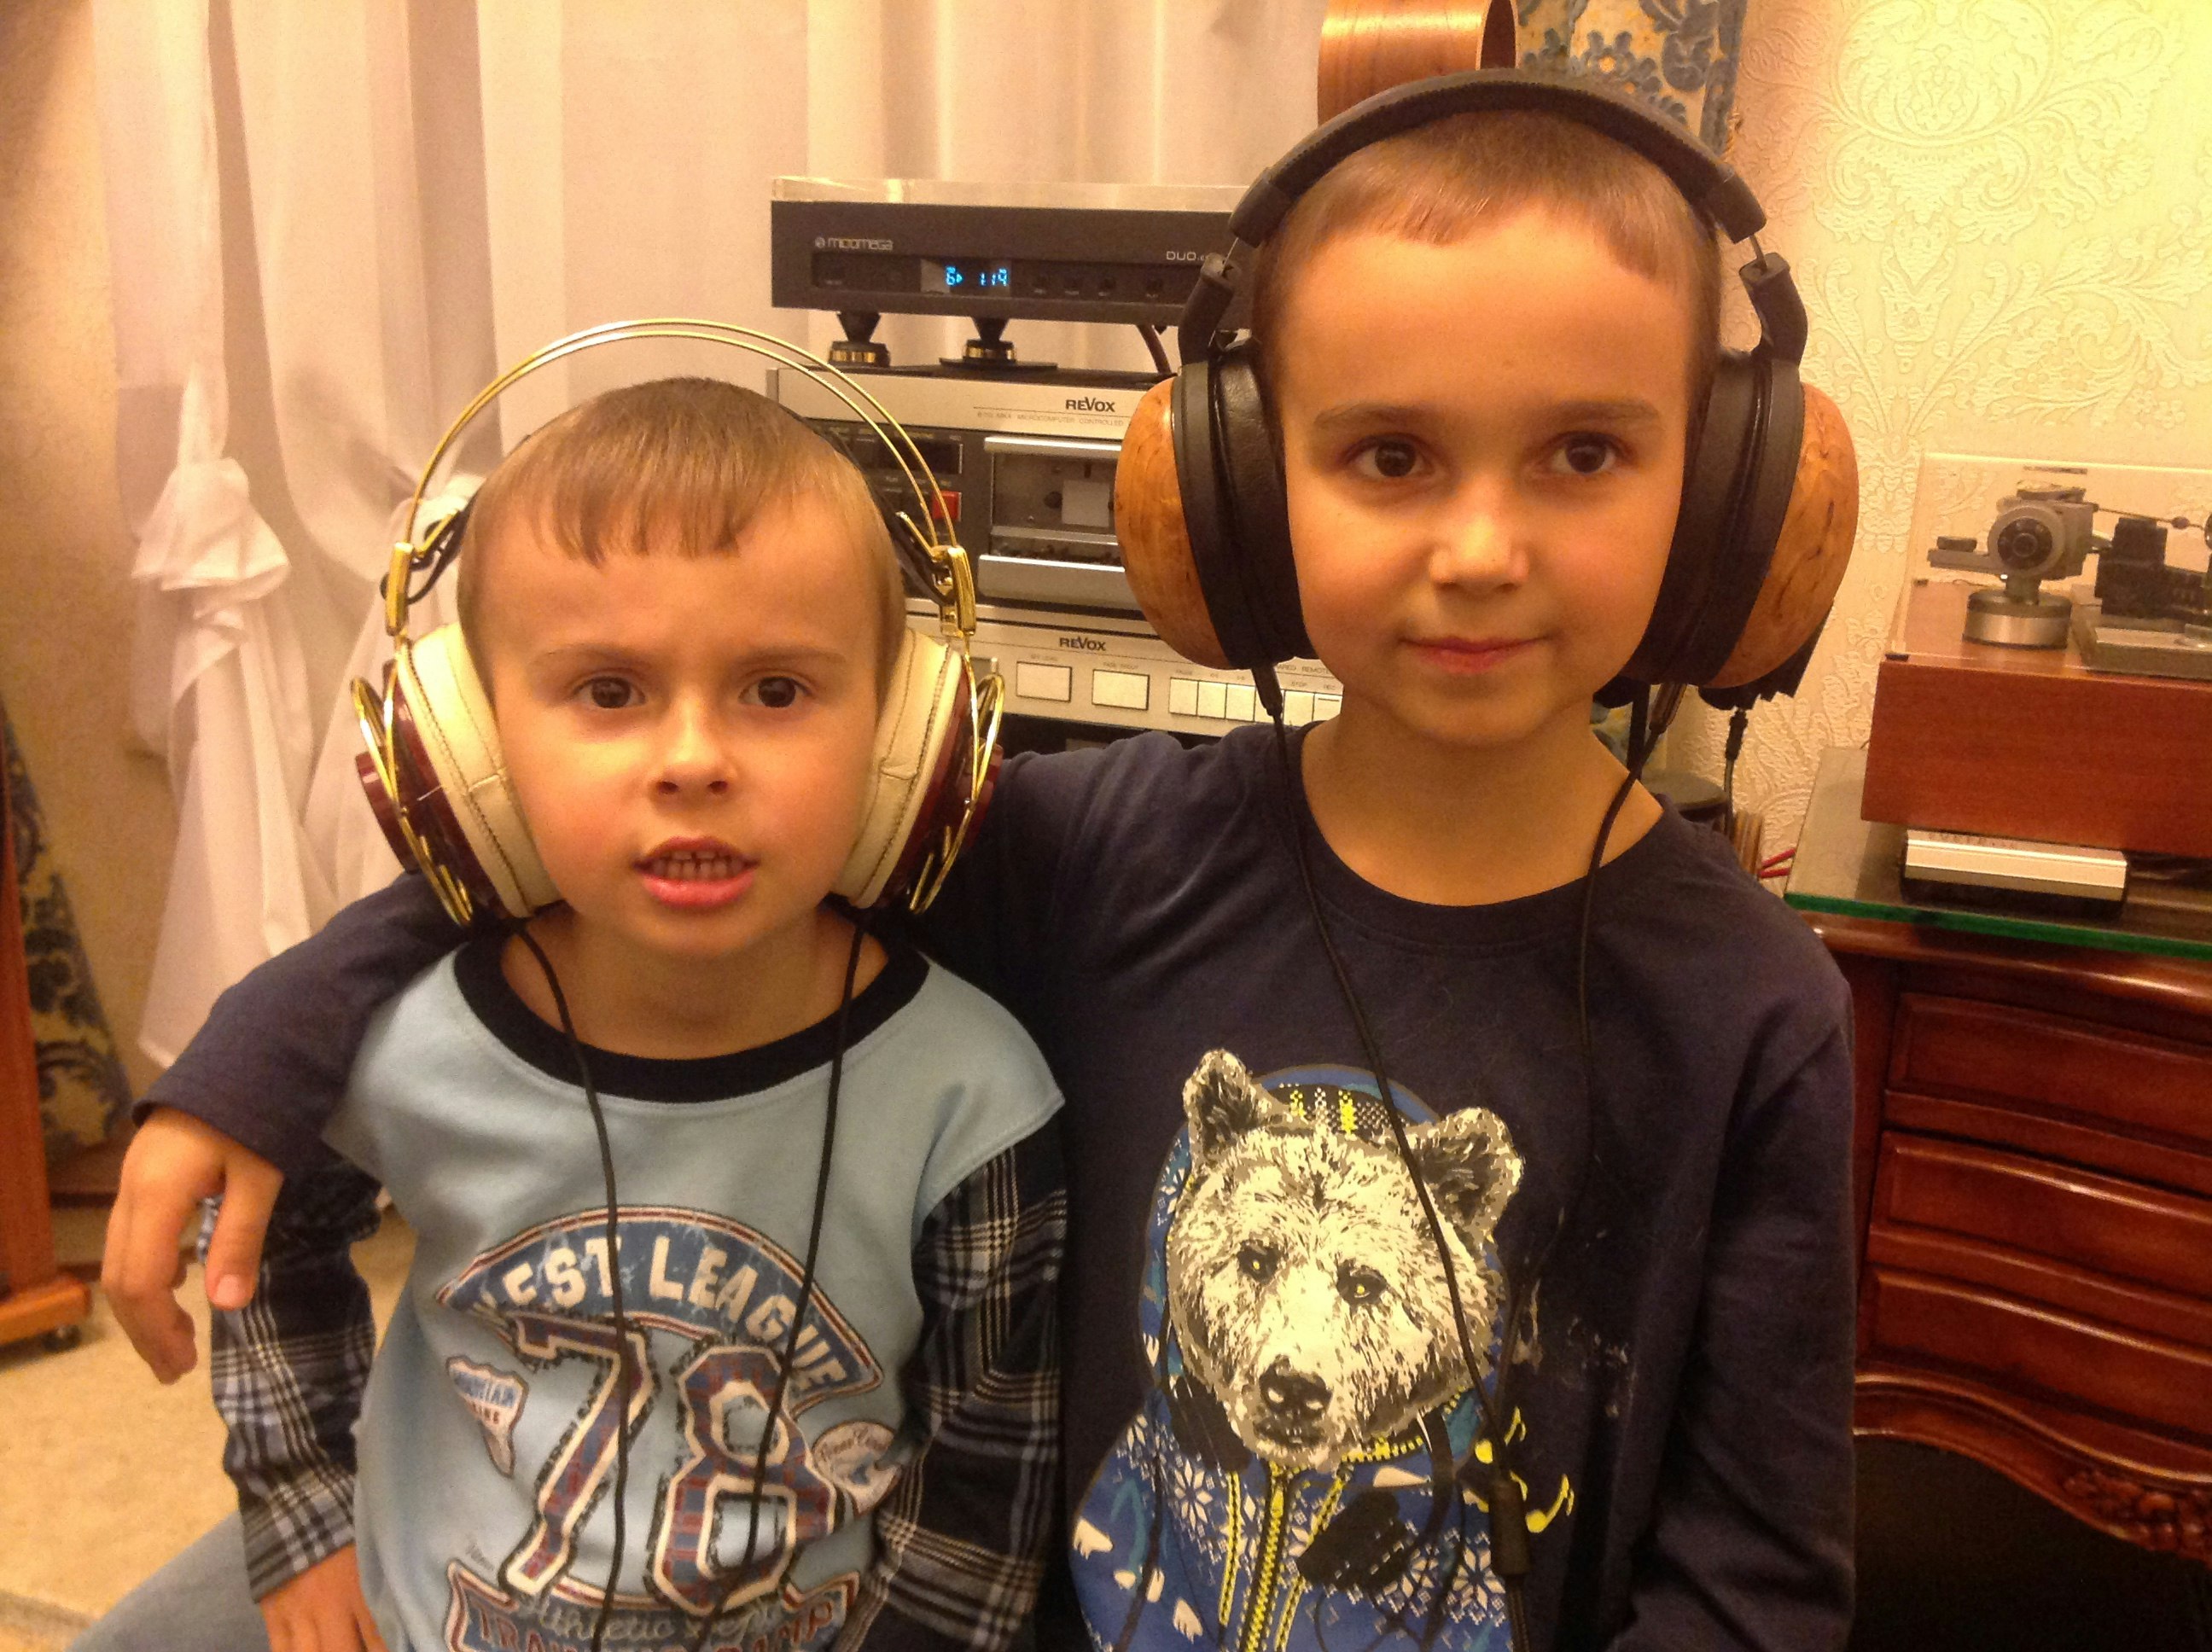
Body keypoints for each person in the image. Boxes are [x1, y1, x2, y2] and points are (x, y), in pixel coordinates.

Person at [102, 93, 1855, 1651]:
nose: (1480, 547)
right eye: (1389, 456)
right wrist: (266, 1048)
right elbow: (657, 853)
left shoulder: (1755, 1007)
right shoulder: (1089, 856)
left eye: (1584, 454)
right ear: (1242, 486)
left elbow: (1756, 1580)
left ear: (1728, 491)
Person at [79, 378, 1067, 1652]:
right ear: (470, 749)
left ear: (903, 738)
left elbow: (979, 1511)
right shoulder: (401, 1047)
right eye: (608, 691)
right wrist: (303, 1512)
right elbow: (263, 1240)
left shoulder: (973, 1101)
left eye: (777, 691)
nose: (693, 759)